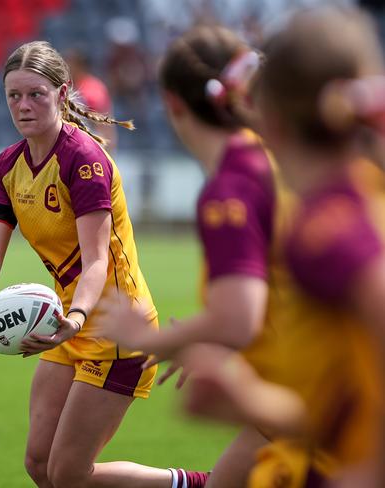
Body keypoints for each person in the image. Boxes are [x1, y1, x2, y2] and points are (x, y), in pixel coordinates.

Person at [159, 7, 385, 487]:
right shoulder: (362, 193)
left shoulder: (327, 228)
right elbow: (338, 403)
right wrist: (249, 402)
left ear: (269, 117)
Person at [0, 40, 208, 488]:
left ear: (62, 95)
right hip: (65, 321)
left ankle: (201, 484)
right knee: (40, 466)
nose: (23, 106)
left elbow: (97, 260)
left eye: (35, 94)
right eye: (13, 96)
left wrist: (77, 318)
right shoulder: (8, 165)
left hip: (118, 328)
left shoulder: (83, 160)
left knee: (68, 473)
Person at [97, 24, 301, 488]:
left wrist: (157, 339)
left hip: (321, 380)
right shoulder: (270, 155)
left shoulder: (231, 188)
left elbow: (237, 319)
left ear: (172, 103)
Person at [64, 47, 118, 152]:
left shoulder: (92, 89)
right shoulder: (71, 87)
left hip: (91, 149)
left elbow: (103, 127)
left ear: (80, 66)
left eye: (70, 64)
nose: (66, 68)